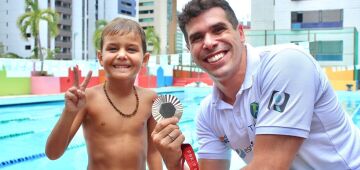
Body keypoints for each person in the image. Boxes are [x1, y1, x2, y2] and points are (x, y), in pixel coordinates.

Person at [151, 0, 360, 169]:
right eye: (197, 38)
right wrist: (173, 161)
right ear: (189, 49)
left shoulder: (286, 63)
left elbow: (269, 166)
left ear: (241, 33)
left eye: (218, 30)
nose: (209, 42)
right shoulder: (208, 113)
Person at [46, 17, 162, 170]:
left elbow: (153, 152)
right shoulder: (87, 99)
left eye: (131, 49)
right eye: (113, 49)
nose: (121, 55)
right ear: (100, 57)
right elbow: (53, 153)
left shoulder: (151, 99)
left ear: (145, 59)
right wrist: (69, 113)